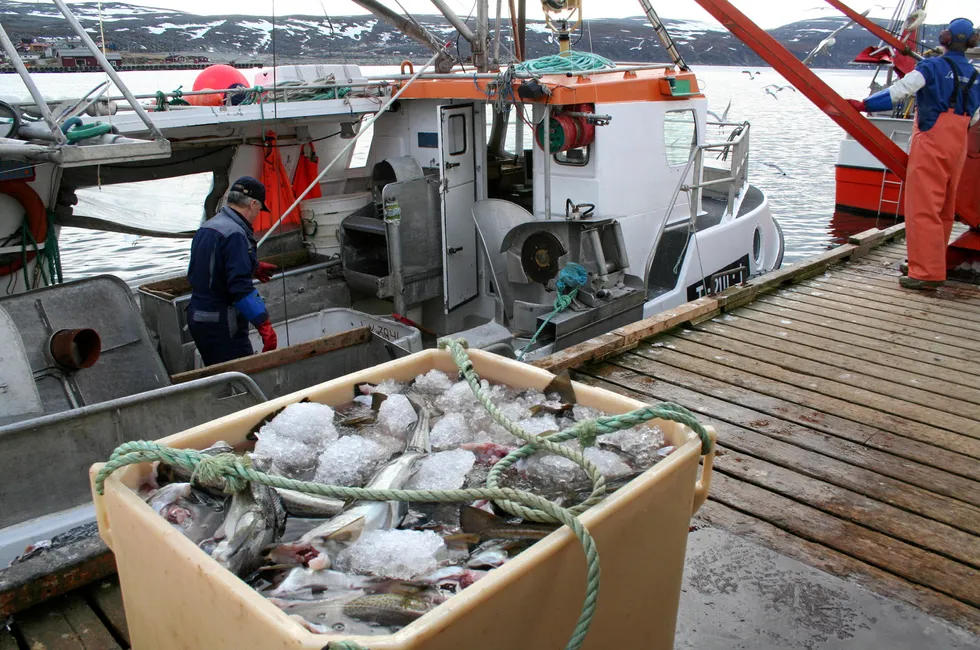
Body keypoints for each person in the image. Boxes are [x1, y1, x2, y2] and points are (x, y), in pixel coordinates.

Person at [848, 18, 980, 290]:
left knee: (923, 207)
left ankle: (925, 273)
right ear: (971, 42)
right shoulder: (977, 76)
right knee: (944, 209)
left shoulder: (931, 67)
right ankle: (934, 262)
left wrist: (864, 104)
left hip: (932, 140)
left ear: (944, 38)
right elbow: (975, 117)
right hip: (959, 145)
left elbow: (898, 92)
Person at [186, 176, 278, 365]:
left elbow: (211, 268)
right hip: (220, 322)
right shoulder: (235, 233)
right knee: (238, 377)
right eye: (259, 210)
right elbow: (240, 288)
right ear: (253, 204)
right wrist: (264, 325)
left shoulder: (208, 226)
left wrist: (252, 266)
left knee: (217, 373)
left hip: (199, 316)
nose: (257, 214)